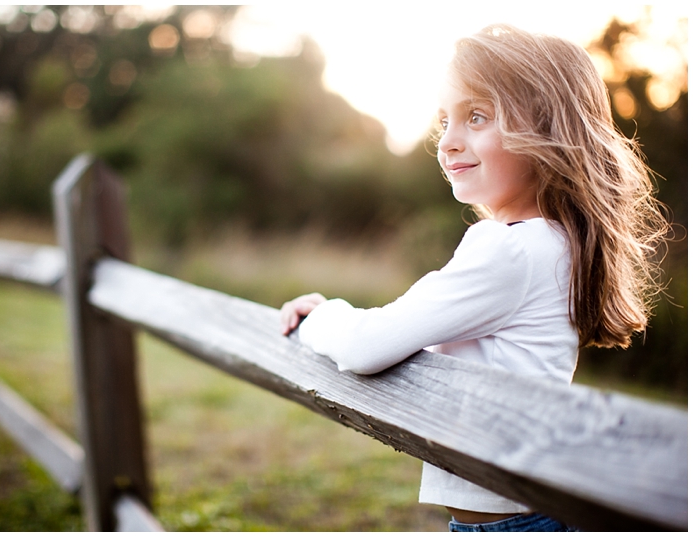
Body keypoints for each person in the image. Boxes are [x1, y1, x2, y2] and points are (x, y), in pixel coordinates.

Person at [279, 24, 669, 532]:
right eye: (445, 120)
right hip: (532, 511)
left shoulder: (509, 247)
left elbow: (365, 345)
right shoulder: (555, 241)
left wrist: (317, 317)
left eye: (477, 117)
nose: (447, 143)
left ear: (548, 134)